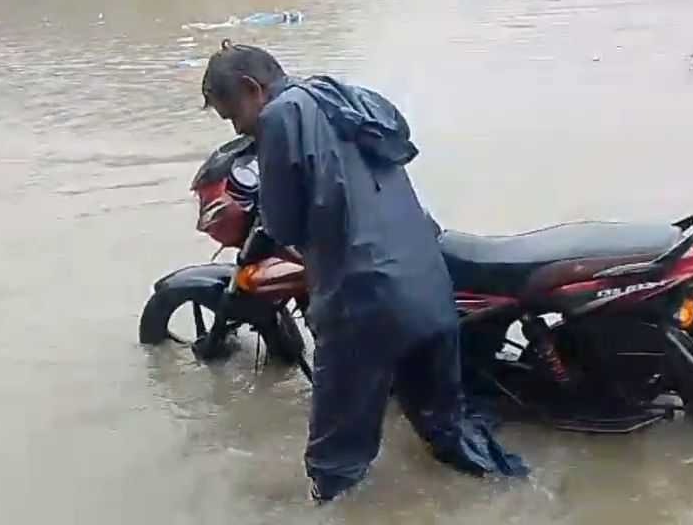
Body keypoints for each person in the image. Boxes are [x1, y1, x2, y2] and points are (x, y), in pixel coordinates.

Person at [201, 44, 528, 502]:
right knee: (447, 430)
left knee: (336, 462)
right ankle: (514, 494)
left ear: (254, 89)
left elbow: (282, 224)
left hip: (366, 301)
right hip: (429, 285)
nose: (237, 127)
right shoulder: (342, 96)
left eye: (230, 112)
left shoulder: (279, 117)